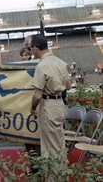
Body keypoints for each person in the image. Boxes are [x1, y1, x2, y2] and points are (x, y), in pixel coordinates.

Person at [29, 34, 71, 181]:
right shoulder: (60, 62)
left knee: (50, 146)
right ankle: (61, 174)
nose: (30, 51)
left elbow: (37, 95)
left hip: (48, 104)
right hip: (60, 104)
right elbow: (68, 85)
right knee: (59, 143)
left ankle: (53, 178)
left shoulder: (42, 66)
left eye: (30, 48)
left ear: (35, 48)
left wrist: (32, 108)